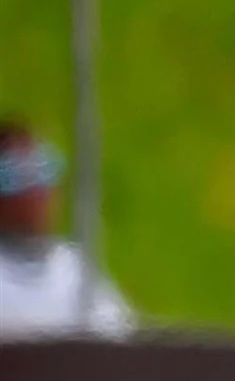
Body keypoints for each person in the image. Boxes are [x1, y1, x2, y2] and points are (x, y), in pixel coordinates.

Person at [0, 115, 136, 339]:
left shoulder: (73, 269)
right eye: (18, 178)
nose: (37, 192)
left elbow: (120, 340)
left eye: (44, 170)